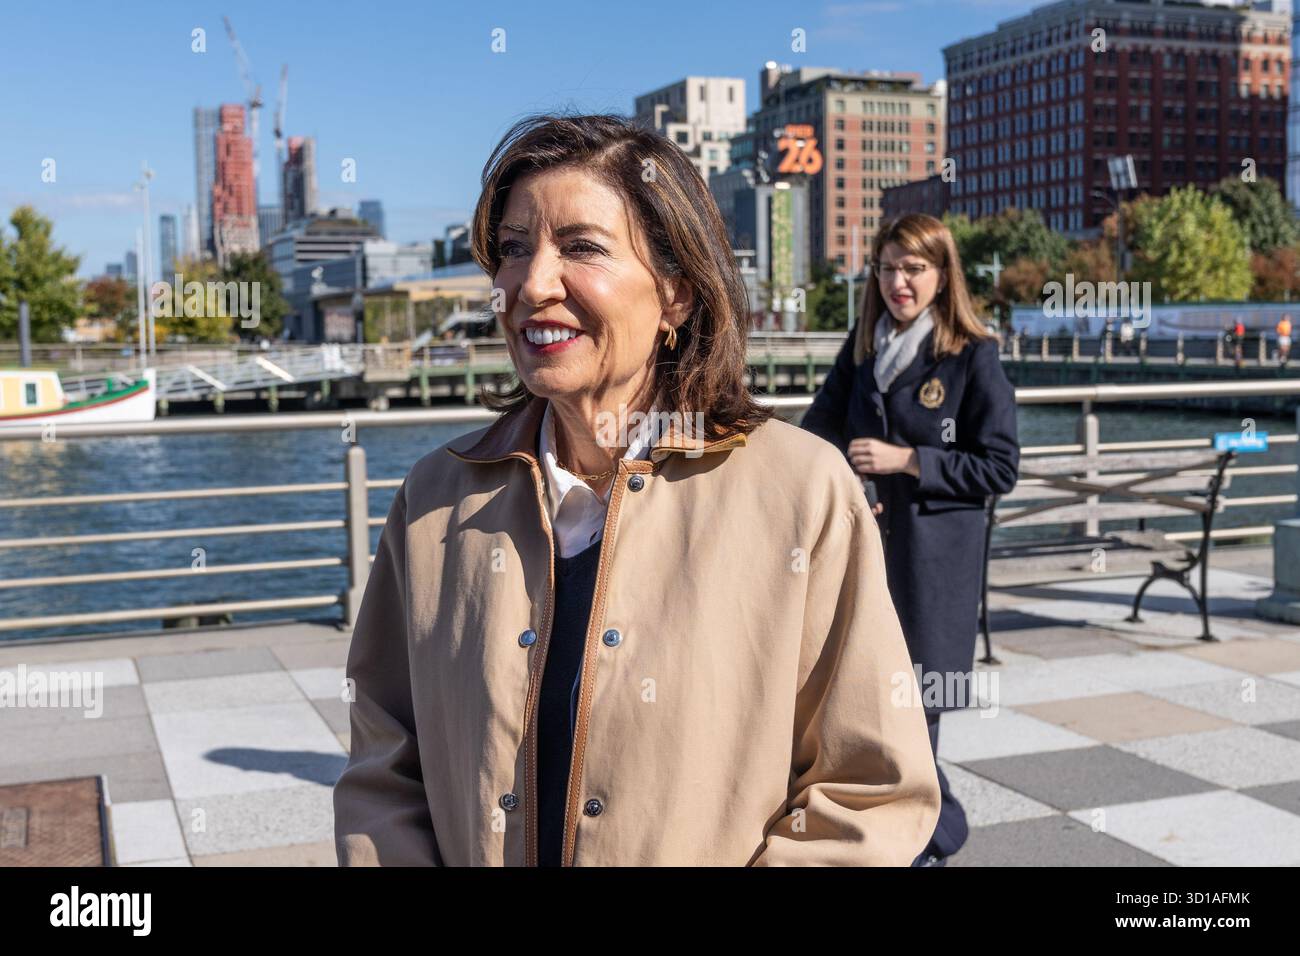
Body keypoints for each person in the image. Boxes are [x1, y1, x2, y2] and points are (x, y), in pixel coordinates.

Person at [332, 113, 941, 867]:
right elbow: (382, 767)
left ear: (677, 295)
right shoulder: (434, 501)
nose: (531, 282)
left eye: (581, 247)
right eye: (514, 249)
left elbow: (871, 789)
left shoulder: (800, 494)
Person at [801, 213, 1020, 867]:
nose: (900, 281)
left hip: (934, 569)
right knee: (869, 702)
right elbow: (818, 429)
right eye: (889, 267)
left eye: (915, 268)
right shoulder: (865, 348)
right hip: (868, 560)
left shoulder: (973, 355)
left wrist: (908, 461)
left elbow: (1000, 466)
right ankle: (932, 825)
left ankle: (927, 837)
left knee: (920, 705)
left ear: (942, 275)